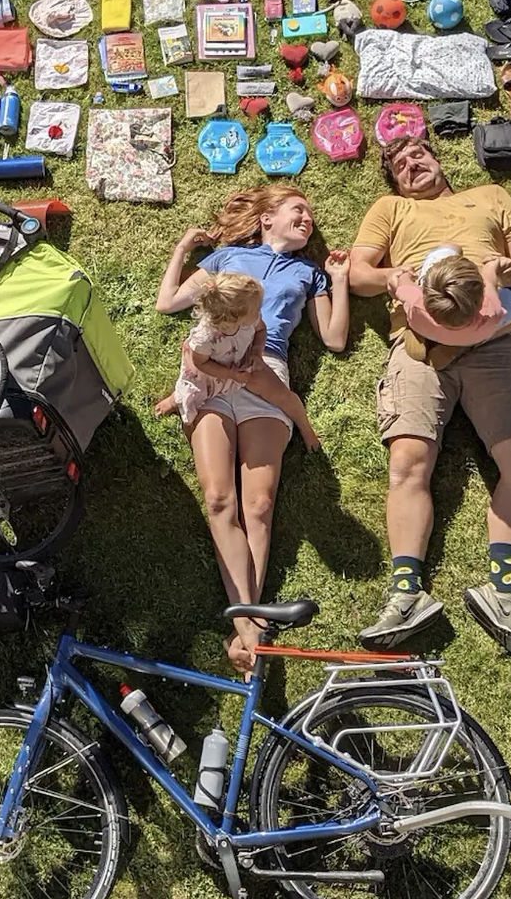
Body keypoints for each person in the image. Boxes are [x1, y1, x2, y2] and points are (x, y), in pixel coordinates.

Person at [348, 137, 511, 656]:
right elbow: (357, 275)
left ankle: (502, 592)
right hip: (419, 343)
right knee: (408, 463)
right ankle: (405, 595)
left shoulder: (490, 196)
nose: (411, 165)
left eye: (418, 155)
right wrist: (392, 276)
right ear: (393, 180)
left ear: (438, 161)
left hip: (493, 339)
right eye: (399, 164)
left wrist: (505, 271)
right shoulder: (391, 209)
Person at [157, 186, 349, 670]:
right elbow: (169, 304)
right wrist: (184, 249)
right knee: (221, 499)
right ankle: (249, 627)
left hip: (267, 373)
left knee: (259, 505)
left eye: (310, 211)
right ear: (266, 218)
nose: (307, 216)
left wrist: (339, 279)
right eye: (297, 208)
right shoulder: (226, 257)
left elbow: (335, 338)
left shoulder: (309, 273)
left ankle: (247, 622)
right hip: (210, 374)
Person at [156, 271, 321, 451]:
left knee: (282, 394)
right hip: (211, 374)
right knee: (190, 408)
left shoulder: (250, 318)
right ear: (234, 318)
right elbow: (200, 363)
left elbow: (261, 331)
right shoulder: (206, 337)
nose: (260, 312)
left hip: (243, 362)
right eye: (256, 309)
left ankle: (306, 428)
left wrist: (257, 353)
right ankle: (175, 400)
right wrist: (230, 374)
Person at [390, 246, 511, 350]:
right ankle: (471, 346)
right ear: (482, 300)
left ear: (426, 289)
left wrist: (404, 273)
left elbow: (399, 284)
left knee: (450, 247)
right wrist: (493, 265)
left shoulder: (414, 300)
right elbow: (490, 280)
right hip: (474, 335)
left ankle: (420, 335)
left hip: (424, 326)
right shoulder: (492, 310)